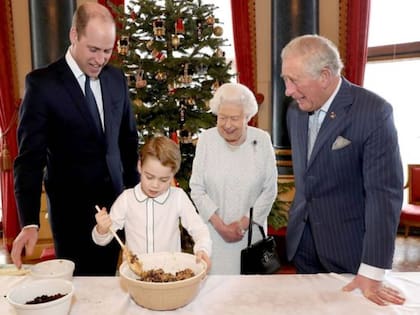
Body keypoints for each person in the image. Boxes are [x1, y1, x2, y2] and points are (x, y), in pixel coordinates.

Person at [11, 2, 139, 276]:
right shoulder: (42, 85)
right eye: (93, 49)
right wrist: (29, 222)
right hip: (72, 217)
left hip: (116, 209)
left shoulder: (116, 79)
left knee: (110, 286)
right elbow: (29, 160)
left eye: (107, 51)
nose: (100, 59)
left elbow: (128, 143)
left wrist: (137, 198)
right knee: (80, 290)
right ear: (73, 35)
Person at [281, 34, 405, 305]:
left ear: (325, 75)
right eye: (285, 80)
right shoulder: (294, 111)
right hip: (302, 243)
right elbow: (309, 176)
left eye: (294, 80)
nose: (288, 90)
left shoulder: (374, 112)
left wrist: (373, 269)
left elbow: (384, 195)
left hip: (349, 251)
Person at [189, 82, 278, 274]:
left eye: (235, 118)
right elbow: (196, 188)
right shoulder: (206, 140)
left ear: (247, 117)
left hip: (250, 238)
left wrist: (242, 223)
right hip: (213, 235)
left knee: (250, 296)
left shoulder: (261, 140)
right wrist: (220, 226)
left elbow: (269, 189)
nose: (227, 125)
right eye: (222, 118)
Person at [92, 136, 212, 270]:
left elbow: (200, 230)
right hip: (135, 275)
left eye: (164, 180)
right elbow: (102, 240)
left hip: (169, 275)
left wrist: (203, 249)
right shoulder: (127, 199)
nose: (155, 185)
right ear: (139, 166)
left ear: (173, 175)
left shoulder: (178, 197)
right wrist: (102, 229)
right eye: (149, 177)